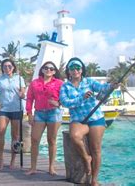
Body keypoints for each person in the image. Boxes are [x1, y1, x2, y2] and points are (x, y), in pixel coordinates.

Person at [59, 57, 117, 186]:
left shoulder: (89, 81)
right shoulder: (65, 86)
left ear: (81, 70)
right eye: (72, 68)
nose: (75, 70)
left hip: (96, 118)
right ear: (68, 71)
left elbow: (102, 88)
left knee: (96, 149)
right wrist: (81, 98)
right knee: (75, 136)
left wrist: (112, 86)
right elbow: (64, 102)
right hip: (79, 120)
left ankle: (94, 180)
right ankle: (86, 157)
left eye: (77, 68)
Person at [24, 61, 63, 176]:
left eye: (51, 69)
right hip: (39, 113)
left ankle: (51, 167)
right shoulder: (35, 83)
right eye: (46, 68)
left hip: (54, 113)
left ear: (55, 71)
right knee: (35, 139)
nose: (48, 70)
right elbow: (30, 98)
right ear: (42, 69)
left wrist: (58, 103)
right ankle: (33, 167)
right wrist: (29, 114)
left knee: (52, 140)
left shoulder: (60, 83)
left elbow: (65, 97)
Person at [0, 58, 25, 170]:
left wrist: (22, 94)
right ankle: (1, 159)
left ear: (13, 67)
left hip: (17, 109)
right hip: (4, 110)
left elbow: (23, 92)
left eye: (9, 66)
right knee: (1, 132)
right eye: (5, 66)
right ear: (2, 68)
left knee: (15, 136)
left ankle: (13, 160)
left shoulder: (19, 78)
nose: (7, 68)